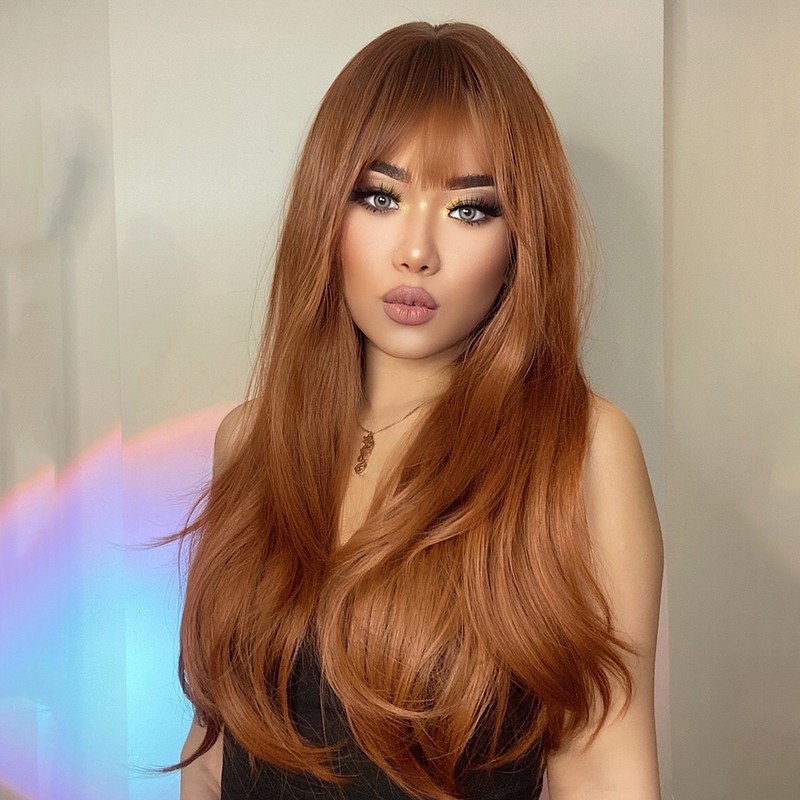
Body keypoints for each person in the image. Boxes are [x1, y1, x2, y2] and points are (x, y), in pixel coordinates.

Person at [171, 20, 664, 800]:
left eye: (471, 210)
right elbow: (214, 755)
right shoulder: (252, 441)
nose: (416, 251)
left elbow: (607, 774)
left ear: (520, 239)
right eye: (380, 196)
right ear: (327, 213)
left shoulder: (581, 453)